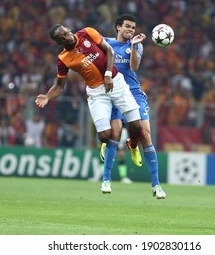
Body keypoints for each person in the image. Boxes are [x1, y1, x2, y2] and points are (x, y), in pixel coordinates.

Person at [35, 24, 143, 194]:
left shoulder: (87, 32)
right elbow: (59, 86)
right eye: (61, 38)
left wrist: (107, 75)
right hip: (96, 92)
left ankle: (133, 145)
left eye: (66, 33)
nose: (66, 37)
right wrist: (47, 97)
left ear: (68, 29)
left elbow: (110, 51)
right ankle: (105, 150)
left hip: (116, 82)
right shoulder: (63, 58)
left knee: (137, 126)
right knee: (105, 135)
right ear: (58, 42)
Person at [100, 13, 166, 199]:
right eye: (127, 26)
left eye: (133, 27)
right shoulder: (106, 43)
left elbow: (134, 68)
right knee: (115, 133)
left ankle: (156, 185)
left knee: (145, 134)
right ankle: (106, 180)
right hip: (114, 93)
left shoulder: (136, 45)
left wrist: (135, 45)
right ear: (118, 27)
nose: (131, 30)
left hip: (134, 93)